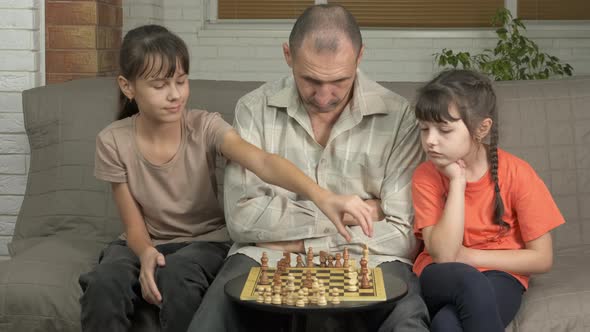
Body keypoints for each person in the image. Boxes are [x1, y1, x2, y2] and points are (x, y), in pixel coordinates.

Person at [78, 24, 376, 332]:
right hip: (141, 242)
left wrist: (322, 196)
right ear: (128, 87)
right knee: (103, 282)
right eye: (159, 86)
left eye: (181, 81)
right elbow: (133, 226)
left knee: (179, 275)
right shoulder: (112, 141)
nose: (174, 95)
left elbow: (263, 161)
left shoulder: (206, 126)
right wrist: (146, 253)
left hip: (204, 242)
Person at [188, 5, 429, 332]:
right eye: (311, 80)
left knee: (406, 322)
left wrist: (300, 245)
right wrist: (350, 213)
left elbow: (402, 234)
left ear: (360, 57)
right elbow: (243, 220)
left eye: (340, 81)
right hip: (264, 258)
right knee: (212, 321)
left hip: (371, 260)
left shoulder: (399, 117)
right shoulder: (253, 109)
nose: (325, 95)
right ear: (288, 55)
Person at [411, 69, 565, 332]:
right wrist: (457, 182)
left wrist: (471, 256)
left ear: (481, 128)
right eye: (425, 129)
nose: (430, 141)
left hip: (500, 275)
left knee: (446, 325)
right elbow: (446, 255)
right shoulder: (426, 176)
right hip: (439, 274)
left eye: (444, 130)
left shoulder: (517, 172)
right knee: (469, 281)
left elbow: (542, 258)